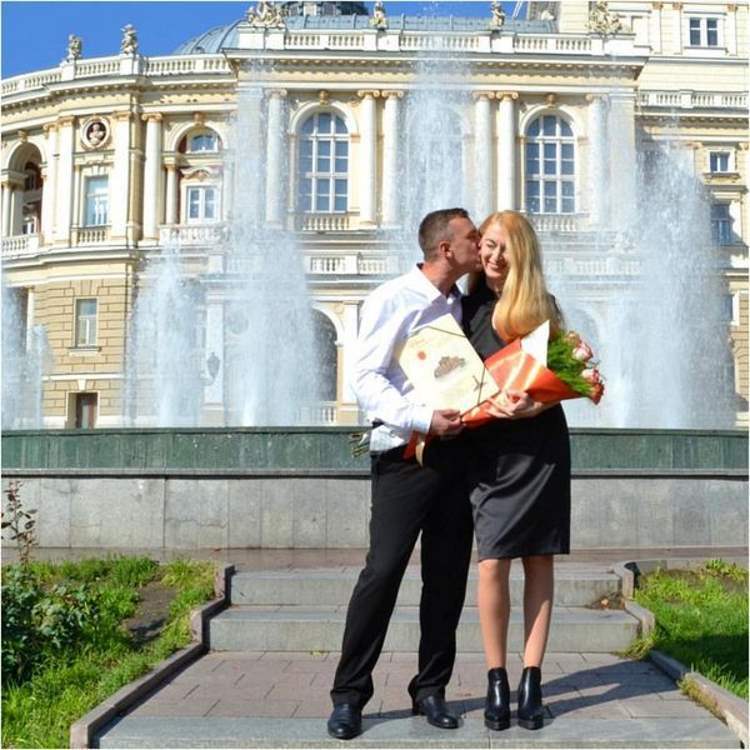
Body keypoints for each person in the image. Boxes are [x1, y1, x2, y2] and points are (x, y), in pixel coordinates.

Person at [327, 208, 481, 740]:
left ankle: (431, 689)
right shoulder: (393, 298)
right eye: (472, 237)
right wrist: (422, 418)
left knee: (447, 577)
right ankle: (349, 695)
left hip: (458, 455)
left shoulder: (464, 303)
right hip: (406, 455)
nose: (480, 243)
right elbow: (365, 379)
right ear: (445, 248)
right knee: (383, 570)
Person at [462, 210, 571, 732]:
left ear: (522, 253)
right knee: (492, 563)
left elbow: (566, 376)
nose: (493, 255)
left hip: (539, 447)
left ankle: (532, 680)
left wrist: (536, 405)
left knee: (539, 558)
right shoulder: (465, 309)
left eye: (504, 247)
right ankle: (496, 678)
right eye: (487, 244)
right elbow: (448, 379)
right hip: (488, 452)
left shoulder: (542, 308)